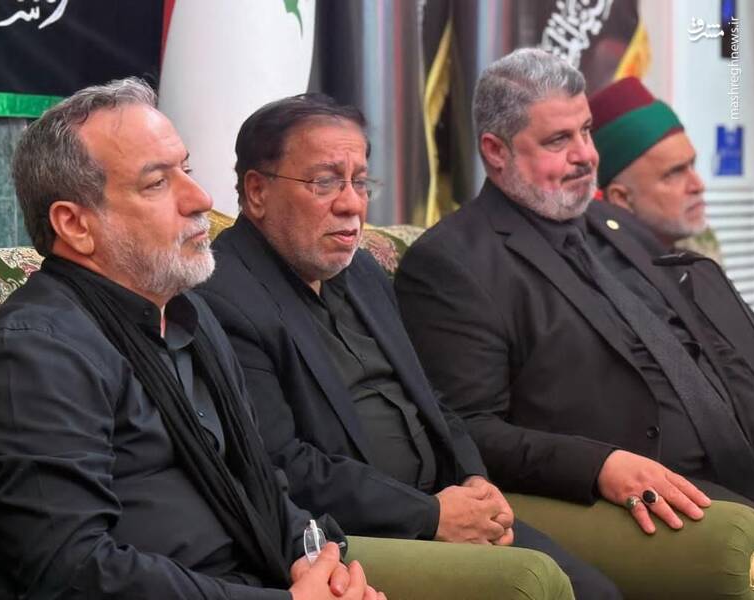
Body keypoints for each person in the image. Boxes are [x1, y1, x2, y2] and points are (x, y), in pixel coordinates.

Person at [0, 78, 383, 600]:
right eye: (157, 183)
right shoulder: (35, 354)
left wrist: (319, 562)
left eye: (187, 169)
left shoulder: (190, 316)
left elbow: (259, 483)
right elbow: (73, 572)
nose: (200, 199)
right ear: (75, 225)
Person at [198, 92, 620, 599]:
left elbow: (432, 401)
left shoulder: (363, 272)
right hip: (356, 537)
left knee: (597, 593)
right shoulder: (223, 297)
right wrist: (432, 515)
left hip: (445, 503)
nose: (351, 204)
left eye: (359, 182)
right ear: (257, 192)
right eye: (325, 182)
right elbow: (282, 463)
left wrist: (474, 481)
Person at [395, 48, 754, 537]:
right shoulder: (453, 263)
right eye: (558, 140)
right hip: (654, 494)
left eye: (586, 131)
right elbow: (467, 429)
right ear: (496, 151)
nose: (586, 155)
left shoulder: (615, 224)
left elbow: (700, 339)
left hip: (741, 454)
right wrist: (600, 465)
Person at [589, 76, 707, 250]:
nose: (698, 186)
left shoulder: (701, 251)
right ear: (621, 198)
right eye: (675, 173)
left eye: (692, 165)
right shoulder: (601, 267)